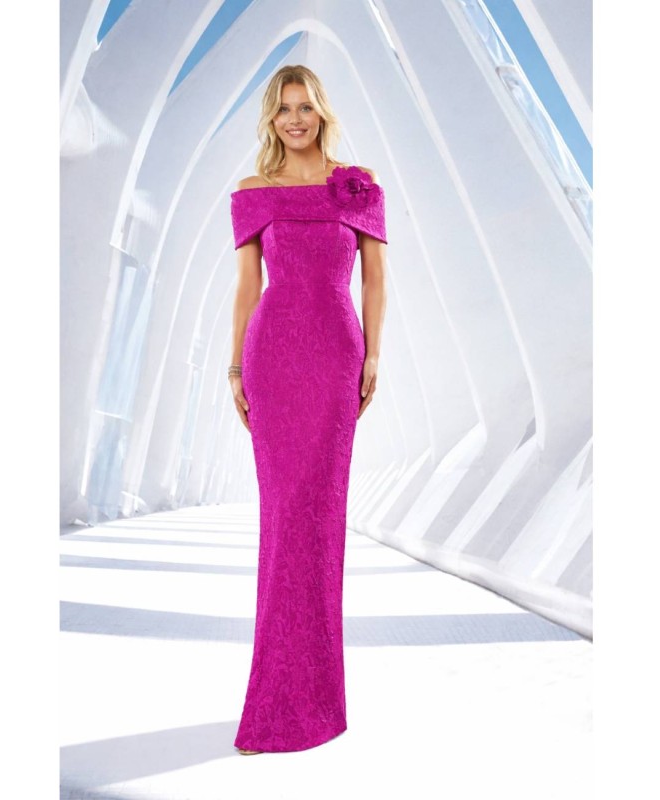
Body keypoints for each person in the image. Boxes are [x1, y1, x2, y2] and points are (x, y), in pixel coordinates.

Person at [228, 64, 388, 754]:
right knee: (282, 518)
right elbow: (247, 287)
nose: (295, 119)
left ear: (322, 111)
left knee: (318, 522)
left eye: (305, 107)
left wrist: (373, 355)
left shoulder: (358, 184)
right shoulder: (252, 192)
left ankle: (316, 702)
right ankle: (275, 700)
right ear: (272, 119)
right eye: (283, 109)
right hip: (272, 360)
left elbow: (375, 280)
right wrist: (236, 365)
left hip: (334, 359)